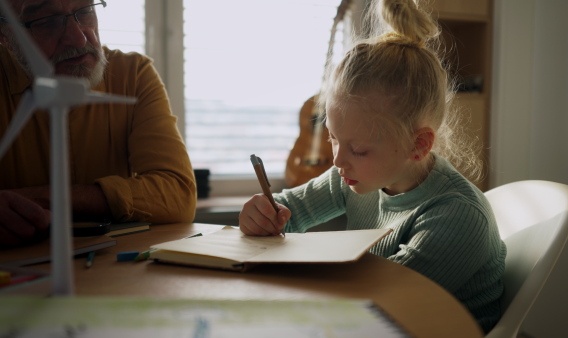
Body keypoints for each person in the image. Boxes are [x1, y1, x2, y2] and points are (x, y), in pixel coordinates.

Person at [239, 0, 506, 333]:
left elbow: (381, 297)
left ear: (418, 145)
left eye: (359, 149)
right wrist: (264, 214)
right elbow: (289, 210)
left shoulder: (457, 215)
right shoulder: (355, 174)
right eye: (334, 138)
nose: (337, 160)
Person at [0, 0, 196, 247]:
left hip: (113, 270)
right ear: (4, 35)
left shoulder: (132, 74)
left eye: (85, 11)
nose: (79, 38)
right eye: (46, 22)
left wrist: (40, 199)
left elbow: (177, 195)